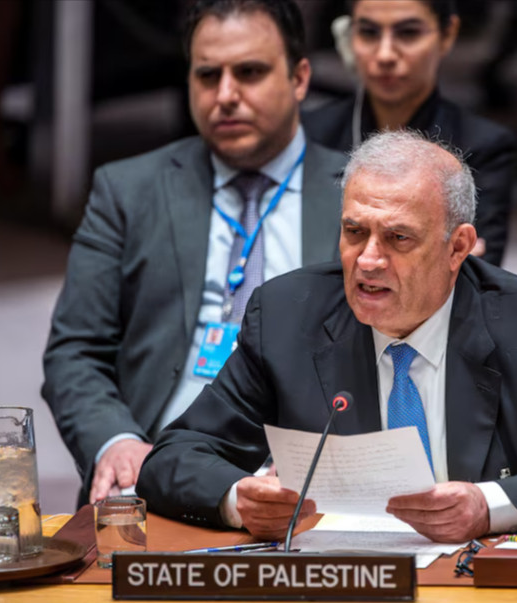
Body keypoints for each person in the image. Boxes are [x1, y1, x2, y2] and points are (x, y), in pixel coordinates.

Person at [136, 130, 517, 543]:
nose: (368, 260)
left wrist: (489, 505)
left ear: (457, 248)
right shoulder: (286, 316)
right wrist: (237, 500)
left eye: (397, 238)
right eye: (354, 232)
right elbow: (174, 455)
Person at [42, 0, 347, 507]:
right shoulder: (129, 191)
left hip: (302, 480)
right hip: (154, 472)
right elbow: (75, 351)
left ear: (299, 78)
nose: (225, 95)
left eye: (249, 72)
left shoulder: (357, 195)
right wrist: (117, 443)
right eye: (208, 75)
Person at [302, 0, 516, 266]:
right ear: (347, 36)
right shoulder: (312, 133)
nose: (385, 55)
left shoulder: (483, 146)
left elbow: (479, 276)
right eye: (369, 33)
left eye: (408, 33)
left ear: (447, 34)